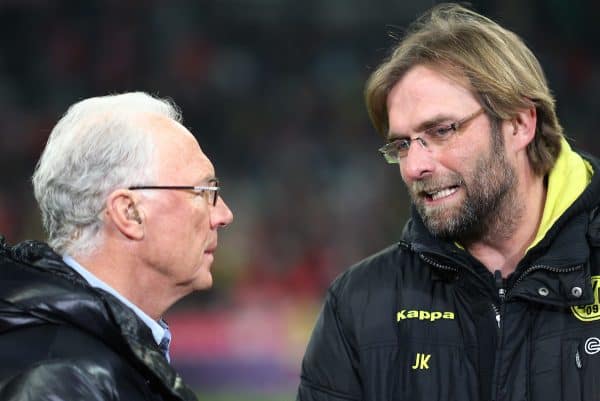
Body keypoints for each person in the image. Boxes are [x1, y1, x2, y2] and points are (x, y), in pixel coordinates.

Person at [298, 4, 600, 401]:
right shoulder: (357, 304)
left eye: (441, 130)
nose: (415, 167)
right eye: (401, 145)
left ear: (520, 124)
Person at [0, 92, 233, 400]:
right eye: (203, 191)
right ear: (129, 213)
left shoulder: (84, 360)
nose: (224, 215)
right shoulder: (61, 383)